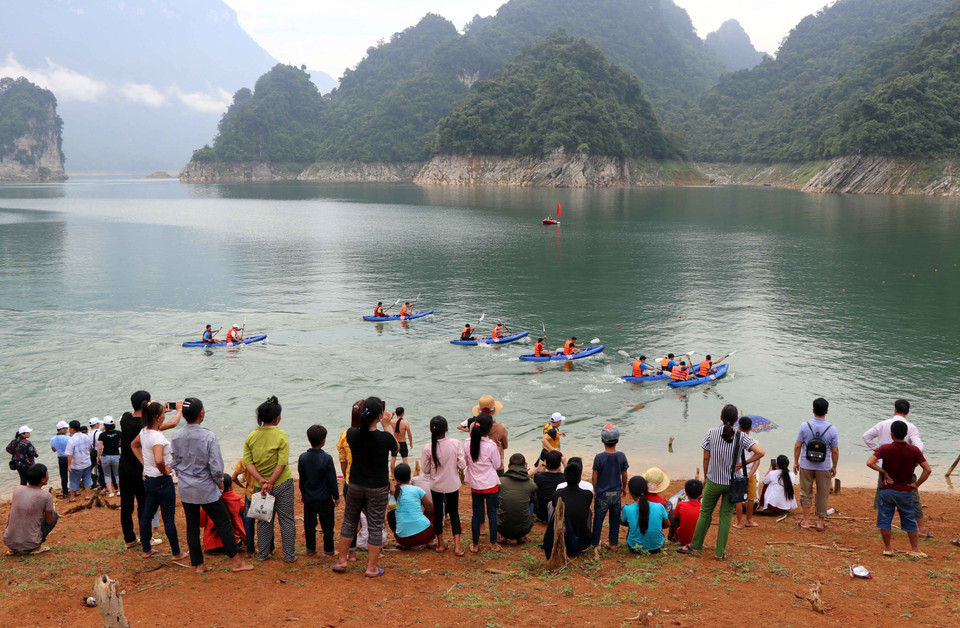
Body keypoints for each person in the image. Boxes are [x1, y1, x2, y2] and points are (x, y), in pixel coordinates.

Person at [171, 397, 253, 574]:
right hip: (205, 488)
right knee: (223, 522)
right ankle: (236, 562)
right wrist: (220, 484)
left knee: (192, 526)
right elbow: (216, 468)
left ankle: (199, 564)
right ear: (201, 413)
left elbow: (174, 463)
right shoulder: (208, 436)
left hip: (186, 488)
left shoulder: (176, 436)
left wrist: (185, 477)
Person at [680, 404, 764, 561]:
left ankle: (695, 545)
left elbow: (706, 458)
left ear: (721, 417)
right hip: (732, 483)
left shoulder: (711, 433)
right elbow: (761, 452)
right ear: (736, 420)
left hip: (714, 480)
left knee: (705, 513)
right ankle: (719, 553)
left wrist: (706, 477)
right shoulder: (742, 436)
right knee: (725, 516)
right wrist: (743, 464)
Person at [333, 397, 398, 577]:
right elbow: (396, 448)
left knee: (349, 521)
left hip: (354, 484)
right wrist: (386, 425)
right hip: (377, 487)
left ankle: (342, 561)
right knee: (376, 525)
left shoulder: (351, 434)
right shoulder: (384, 437)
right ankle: (371, 568)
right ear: (379, 415)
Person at [119, 391, 180, 550]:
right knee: (143, 505)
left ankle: (130, 539)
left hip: (123, 467)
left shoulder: (125, 418)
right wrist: (166, 414)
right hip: (140, 470)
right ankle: (148, 539)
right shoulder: (144, 427)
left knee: (126, 504)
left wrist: (158, 413)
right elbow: (171, 424)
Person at [862, 399, 930, 538]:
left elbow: (866, 437)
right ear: (908, 412)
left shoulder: (882, 424)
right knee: (913, 497)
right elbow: (919, 447)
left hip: (886, 467)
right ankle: (921, 529)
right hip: (906, 468)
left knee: (885, 497)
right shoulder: (910, 427)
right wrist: (915, 458)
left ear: (894, 410)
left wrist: (877, 451)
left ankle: (885, 526)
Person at [131, 400, 188, 560]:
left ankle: (146, 550)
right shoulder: (157, 437)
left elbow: (133, 446)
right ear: (157, 417)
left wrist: (145, 465)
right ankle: (176, 553)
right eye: (163, 413)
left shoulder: (144, 431)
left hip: (149, 480)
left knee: (147, 515)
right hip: (162, 481)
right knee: (168, 517)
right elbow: (159, 460)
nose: (164, 415)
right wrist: (165, 471)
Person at [867, 420, 931, 557]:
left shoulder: (885, 448)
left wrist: (884, 472)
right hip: (905, 490)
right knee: (909, 519)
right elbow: (927, 470)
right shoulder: (914, 450)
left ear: (891, 434)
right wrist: (917, 484)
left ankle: (888, 548)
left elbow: (870, 462)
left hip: (888, 489)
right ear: (906, 434)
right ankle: (915, 549)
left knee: (885, 519)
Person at [243, 396, 295, 562]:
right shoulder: (281, 435)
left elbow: (248, 462)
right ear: (277, 418)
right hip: (282, 483)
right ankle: (289, 556)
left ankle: (263, 553)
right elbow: (282, 463)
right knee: (287, 521)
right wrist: (271, 482)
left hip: (261, 486)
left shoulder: (251, 436)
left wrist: (262, 481)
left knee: (264, 520)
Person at [421, 415, 466, 555]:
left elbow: (425, 470)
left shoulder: (428, 448)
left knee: (438, 514)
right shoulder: (455, 443)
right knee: (454, 513)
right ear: (446, 429)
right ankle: (457, 546)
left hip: (436, 485)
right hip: (452, 484)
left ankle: (440, 544)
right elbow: (462, 464)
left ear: (431, 431)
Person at [794, 397, 839, 532]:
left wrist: (796, 462)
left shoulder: (805, 426)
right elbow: (835, 450)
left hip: (806, 464)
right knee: (822, 493)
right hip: (824, 466)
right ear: (826, 411)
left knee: (805, 493)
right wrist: (834, 466)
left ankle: (806, 521)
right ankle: (820, 522)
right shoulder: (832, 429)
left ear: (813, 410)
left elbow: (798, 446)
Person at [298, 424, 340, 557]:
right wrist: (336, 495)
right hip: (324, 498)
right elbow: (332, 479)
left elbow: (302, 478)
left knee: (309, 524)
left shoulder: (303, 457)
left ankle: (310, 549)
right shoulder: (327, 458)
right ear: (323, 441)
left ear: (309, 439)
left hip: (309, 497)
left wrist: (303, 493)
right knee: (327, 525)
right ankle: (329, 550)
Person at [464, 413, 502, 553]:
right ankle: (493, 544)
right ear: (489, 429)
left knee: (476, 514)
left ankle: (475, 545)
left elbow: (466, 462)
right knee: (492, 513)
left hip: (475, 484)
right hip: (490, 484)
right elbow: (497, 465)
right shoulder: (490, 445)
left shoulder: (468, 442)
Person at [3, 464, 57, 554]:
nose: (48, 476)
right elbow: (49, 521)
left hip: (9, 542)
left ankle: (13, 548)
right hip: (31, 544)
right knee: (54, 515)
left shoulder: (17, 489)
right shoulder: (46, 496)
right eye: (47, 474)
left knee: (14, 514)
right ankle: (36, 547)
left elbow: (12, 509)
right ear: (43, 480)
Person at [542, 462, 593, 558]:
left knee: (554, 507)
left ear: (564, 478)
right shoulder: (588, 495)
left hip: (561, 542)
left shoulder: (557, 495)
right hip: (582, 544)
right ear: (580, 479)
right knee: (588, 511)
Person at [591, 425, 629, 551]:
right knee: (614, 519)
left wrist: (595, 488)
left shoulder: (599, 457)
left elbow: (594, 475)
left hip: (602, 494)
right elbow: (624, 474)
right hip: (616, 493)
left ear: (602, 440)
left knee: (598, 519)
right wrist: (624, 488)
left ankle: (596, 544)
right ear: (617, 440)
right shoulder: (622, 456)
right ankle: (613, 543)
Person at [336, 399, 365, 562]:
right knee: (373, 519)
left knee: (351, 519)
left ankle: (350, 554)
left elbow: (343, 460)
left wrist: (347, 476)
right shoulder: (372, 435)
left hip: (351, 481)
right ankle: (377, 549)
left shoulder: (345, 435)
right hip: (369, 482)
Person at [459, 395, 510, 474]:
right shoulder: (501, 427)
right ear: (493, 411)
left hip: (477, 465)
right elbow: (505, 446)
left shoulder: (473, 425)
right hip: (497, 466)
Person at [388, 463, 435, 548]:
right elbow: (431, 509)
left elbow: (391, 518)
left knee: (390, 514)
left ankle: (403, 542)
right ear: (410, 477)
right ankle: (430, 541)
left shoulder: (392, 494)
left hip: (403, 539)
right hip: (424, 535)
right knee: (432, 510)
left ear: (395, 477)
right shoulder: (417, 490)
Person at [199, 474, 246, 555]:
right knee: (241, 513)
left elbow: (201, 523)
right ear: (230, 487)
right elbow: (247, 510)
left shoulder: (208, 501)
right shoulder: (236, 499)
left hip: (211, 546)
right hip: (233, 545)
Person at [620, 476, 669, 553]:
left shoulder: (627, 508)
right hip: (657, 547)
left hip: (634, 548)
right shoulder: (659, 506)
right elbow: (667, 525)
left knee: (632, 525)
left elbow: (622, 522)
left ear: (631, 493)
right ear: (646, 491)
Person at [497, 453, 537, 544]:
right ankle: (522, 536)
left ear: (509, 466)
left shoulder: (500, 482)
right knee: (530, 502)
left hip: (501, 527)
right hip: (524, 529)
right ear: (525, 466)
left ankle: (503, 537)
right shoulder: (531, 485)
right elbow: (535, 503)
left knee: (496, 500)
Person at [733, 416, 761, 528]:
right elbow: (757, 462)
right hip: (751, 472)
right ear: (751, 428)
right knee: (751, 497)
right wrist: (749, 475)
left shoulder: (734, 441)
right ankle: (749, 520)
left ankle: (739, 522)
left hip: (738, 472)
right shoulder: (755, 442)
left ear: (739, 427)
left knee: (739, 498)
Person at [231, 458, 258, 554]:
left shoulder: (244, 460)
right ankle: (269, 547)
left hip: (250, 494)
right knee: (265, 520)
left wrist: (242, 485)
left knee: (249, 521)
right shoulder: (263, 459)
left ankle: (250, 548)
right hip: (261, 494)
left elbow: (233, 477)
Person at [531, 450, 565, 523]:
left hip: (541, 515)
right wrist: (564, 463)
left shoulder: (538, 476)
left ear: (546, 464)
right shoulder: (564, 478)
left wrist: (544, 464)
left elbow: (541, 473)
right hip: (557, 515)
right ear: (559, 465)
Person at [65, 420, 93, 502]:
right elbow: (89, 449)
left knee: (74, 480)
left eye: (69, 428)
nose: (69, 429)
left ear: (72, 429)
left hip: (76, 464)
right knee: (87, 479)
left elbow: (69, 454)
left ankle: (72, 497)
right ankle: (87, 495)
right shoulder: (86, 436)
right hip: (86, 462)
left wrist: (69, 465)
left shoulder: (71, 440)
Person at [671, 479, 703, 546]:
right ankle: (700, 539)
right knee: (707, 518)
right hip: (696, 539)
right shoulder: (703, 508)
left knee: (673, 514)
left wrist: (679, 501)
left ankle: (673, 536)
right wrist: (699, 501)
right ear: (701, 494)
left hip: (682, 539)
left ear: (686, 493)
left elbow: (675, 516)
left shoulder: (681, 504)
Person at [97, 417, 122, 497]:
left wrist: (98, 457)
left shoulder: (102, 435)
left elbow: (100, 447)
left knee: (107, 474)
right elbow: (121, 444)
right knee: (117, 474)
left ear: (105, 425)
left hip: (105, 456)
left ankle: (111, 492)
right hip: (116, 455)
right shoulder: (118, 433)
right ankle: (118, 490)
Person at [50, 421, 71, 498]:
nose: (67, 430)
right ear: (62, 429)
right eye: (66, 428)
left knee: (63, 476)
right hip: (68, 457)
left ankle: (65, 492)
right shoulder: (68, 438)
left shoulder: (52, 439)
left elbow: (53, 450)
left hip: (60, 458)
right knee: (72, 474)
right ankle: (73, 490)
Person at [390, 407, 413, 477]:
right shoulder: (405, 423)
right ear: (403, 413)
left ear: (396, 413)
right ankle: (406, 476)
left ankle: (393, 475)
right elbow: (409, 434)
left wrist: (392, 414)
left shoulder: (392, 421)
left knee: (393, 460)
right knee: (405, 461)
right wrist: (411, 443)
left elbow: (387, 420)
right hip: (402, 442)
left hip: (395, 442)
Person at [88, 418, 103, 490]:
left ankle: (93, 483)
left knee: (91, 468)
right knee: (100, 468)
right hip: (99, 452)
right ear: (96, 424)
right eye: (98, 423)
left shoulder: (89, 433)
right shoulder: (99, 433)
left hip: (92, 452)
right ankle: (101, 483)